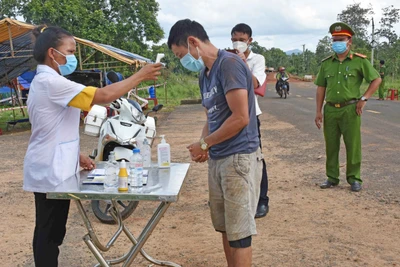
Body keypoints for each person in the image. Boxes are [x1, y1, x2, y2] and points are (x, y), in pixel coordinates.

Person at [23, 25, 161, 267]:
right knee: (48, 234)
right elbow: (104, 96)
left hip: (56, 166)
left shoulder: (51, 81)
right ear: (52, 53)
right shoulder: (51, 83)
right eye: (70, 51)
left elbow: (52, 128)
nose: (73, 56)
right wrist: (140, 75)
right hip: (49, 170)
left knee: (53, 232)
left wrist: (76, 155)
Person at [168, 19, 262, 267]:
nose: (181, 60)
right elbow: (212, 116)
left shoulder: (228, 65)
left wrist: (206, 143)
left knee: (240, 233)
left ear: (192, 42)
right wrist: (203, 143)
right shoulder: (205, 74)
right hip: (219, 158)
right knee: (225, 228)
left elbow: (240, 117)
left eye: (180, 54)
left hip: (238, 157)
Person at [314, 22, 381, 192]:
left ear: (349, 41)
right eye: (334, 39)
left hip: (350, 109)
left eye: (341, 39)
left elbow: (376, 79)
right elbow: (321, 87)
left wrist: (364, 98)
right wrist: (318, 111)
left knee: (353, 145)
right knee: (331, 145)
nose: (337, 42)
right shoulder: (326, 63)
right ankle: (332, 177)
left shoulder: (359, 61)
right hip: (330, 109)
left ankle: (354, 178)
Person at [230, 23, 269, 218]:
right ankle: (233, 196)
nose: (238, 43)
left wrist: (243, 62)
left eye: (242, 40)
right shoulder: (226, 57)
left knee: (256, 157)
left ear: (250, 41)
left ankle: (262, 201)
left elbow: (256, 84)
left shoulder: (257, 59)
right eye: (234, 39)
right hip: (230, 116)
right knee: (229, 157)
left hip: (251, 115)